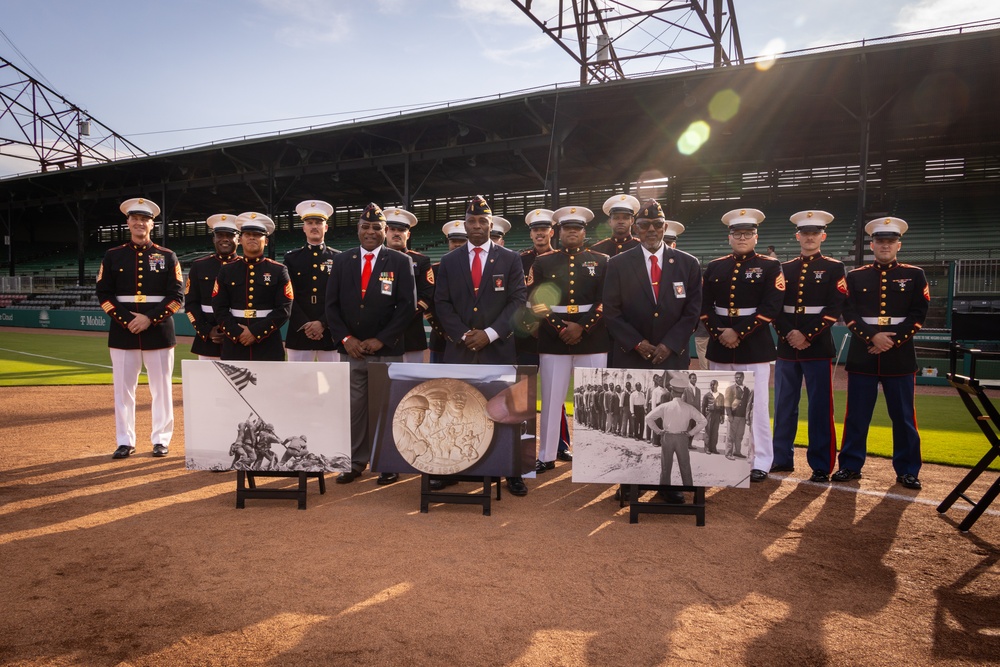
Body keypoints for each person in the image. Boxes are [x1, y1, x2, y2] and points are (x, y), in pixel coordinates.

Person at [433, 195, 529, 496]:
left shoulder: (510, 259)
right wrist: (463, 334)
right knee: (457, 411)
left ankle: (511, 469)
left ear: (491, 225)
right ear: (465, 224)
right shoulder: (449, 261)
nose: (477, 226)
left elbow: (518, 301)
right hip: (460, 348)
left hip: (497, 347)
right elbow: (441, 303)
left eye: (482, 221)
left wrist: (489, 333)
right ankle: (454, 467)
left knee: (507, 409)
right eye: (471, 221)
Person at [833, 217, 928, 490]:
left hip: (899, 357)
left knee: (903, 416)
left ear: (899, 244)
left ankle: (908, 469)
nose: (885, 245)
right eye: (880, 241)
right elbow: (848, 312)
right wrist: (871, 337)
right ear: (872, 245)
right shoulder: (856, 276)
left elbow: (918, 315)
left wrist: (891, 341)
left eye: (890, 241)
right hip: (863, 353)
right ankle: (850, 465)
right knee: (856, 416)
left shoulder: (915, 274)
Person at [325, 203, 416, 486]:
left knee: (387, 407)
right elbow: (331, 305)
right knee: (354, 409)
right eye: (365, 227)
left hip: (385, 350)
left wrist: (382, 339)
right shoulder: (342, 261)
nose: (370, 232)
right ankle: (354, 463)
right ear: (358, 230)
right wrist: (346, 339)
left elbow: (407, 307)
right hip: (351, 350)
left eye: (376, 227)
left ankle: (388, 462)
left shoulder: (400, 262)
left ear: (385, 231)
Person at [701, 208, 784, 482]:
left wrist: (738, 332)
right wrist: (719, 332)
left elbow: (771, 307)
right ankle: (724, 455)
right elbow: (704, 306)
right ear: (729, 237)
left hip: (754, 345)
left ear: (756, 237)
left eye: (747, 233)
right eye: (737, 233)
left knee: (756, 406)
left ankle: (760, 460)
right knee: (722, 406)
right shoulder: (715, 266)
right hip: (720, 344)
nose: (742, 237)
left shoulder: (771, 267)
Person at [97, 197, 183, 459]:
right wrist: (128, 320)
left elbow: (177, 296)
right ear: (128, 223)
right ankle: (125, 440)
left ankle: (161, 439)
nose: (139, 223)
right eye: (135, 219)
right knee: (123, 391)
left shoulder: (167, 256)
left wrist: (148, 319)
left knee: (162, 389)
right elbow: (103, 294)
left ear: (151, 224)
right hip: (123, 331)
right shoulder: (113, 255)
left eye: (144, 219)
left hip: (158, 330)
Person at [527, 205, 609, 474]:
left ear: (584, 231)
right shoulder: (543, 262)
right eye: (567, 228)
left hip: (593, 336)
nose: (572, 232)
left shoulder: (602, 260)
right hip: (554, 337)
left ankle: (595, 456)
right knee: (551, 399)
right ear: (559, 232)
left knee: (595, 400)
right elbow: (537, 301)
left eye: (577, 228)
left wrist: (582, 327)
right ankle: (547, 454)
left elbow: (604, 301)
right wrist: (561, 326)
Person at [771, 210, 847, 482]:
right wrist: (788, 333)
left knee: (820, 407)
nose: (810, 237)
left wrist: (806, 334)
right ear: (798, 236)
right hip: (786, 345)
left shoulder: (834, 267)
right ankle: (780, 458)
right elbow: (775, 307)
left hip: (816, 346)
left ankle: (820, 464)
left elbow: (835, 307)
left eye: (815, 233)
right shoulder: (784, 268)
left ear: (822, 236)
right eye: (805, 233)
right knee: (783, 405)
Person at [603, 198, 702, 372]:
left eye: (657, 224)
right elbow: (611, 311)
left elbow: (692, 311)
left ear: (665, 228)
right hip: (631, 355)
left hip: (673, 355)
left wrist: (670, 344)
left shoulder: (688, 263)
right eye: (644, 225)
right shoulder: (617, 264)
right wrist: (637, 343)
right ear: (635, 229)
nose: (651, 230)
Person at [212, 213, 292, 361]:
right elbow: (219, 307)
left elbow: (284, 309)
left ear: (266, 241)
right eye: (247, 234)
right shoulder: (227, 270)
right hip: (234, 343)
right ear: (240, 239)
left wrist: (255, 332)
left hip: (268, 343)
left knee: (270, 383)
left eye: (257, 234)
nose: (252, 238)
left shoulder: (278, 270)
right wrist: (237, 332)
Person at [283, 200, 340, 362]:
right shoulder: (291, 258)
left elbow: (342, 295)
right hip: (299, 330)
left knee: (332, 382)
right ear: (304, 228)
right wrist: (305, 324)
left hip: (330, 331)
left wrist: (323, 323)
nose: (314, 226)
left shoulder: (339, 258)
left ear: (326, 227)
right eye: (310, 223)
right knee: (297, 382)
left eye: (318, 223)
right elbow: (288, 295)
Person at [384, 206, 435, 363]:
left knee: (413, 384)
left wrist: (401, 315)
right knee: (382, 382)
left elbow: (427, 294)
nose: (397, 233)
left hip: (411, 335)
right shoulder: (376, 260)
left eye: (401, 230)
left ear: (408, 234)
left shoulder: (421, 261)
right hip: (381, 333)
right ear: (385, 231)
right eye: (392, 229)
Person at [185, 214, 239, 360]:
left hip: (239, 339)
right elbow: (191, 304)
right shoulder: (199, 266)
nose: (225, 239)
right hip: (208, 339)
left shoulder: (245, 266)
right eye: (220, 235)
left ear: (238, 239)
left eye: (230, 235)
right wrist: (207, 331)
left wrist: (233, 331)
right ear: (213, 239)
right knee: (207, 382)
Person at [645, 377, 708, 504]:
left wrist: (658, 431)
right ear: (683, 392)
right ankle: (690, 490)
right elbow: (703, 421)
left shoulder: (665, 406)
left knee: (665, 467)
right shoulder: (689, 407)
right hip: (682, 438)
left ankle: (663, 491)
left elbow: (648, 418)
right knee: (685, 466)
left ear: (672, 391)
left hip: (667, 437)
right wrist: (690, 433)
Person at [426, 221, 468, 364]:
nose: (457, 244)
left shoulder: (477, 269)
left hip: (469, 338)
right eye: (453, 241)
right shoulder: (436, 269)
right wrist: (444, 331)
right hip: (442, 338)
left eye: (462, 240)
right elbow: (430, 304)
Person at [724, 372, 750, 460]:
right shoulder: (730, 388)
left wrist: (747, 417)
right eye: (736, 377)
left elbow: (748, 404)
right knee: (731, 435)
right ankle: (728, 453)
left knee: (740, 435)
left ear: (743, 378)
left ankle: (737, 452)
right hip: (733, 416)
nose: (738, 379)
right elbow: (727, 403)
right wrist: (729, 415)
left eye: (739, 377)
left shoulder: (747, 390)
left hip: (742, 417)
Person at [702, 379, 725, 455]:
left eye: (714, 384)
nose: (712, 386)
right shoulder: (707, 395)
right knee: (708, 431)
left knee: (715, 432)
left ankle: (713, 448)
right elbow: (703, 406)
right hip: (709, 414)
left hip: (717, 415)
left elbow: (722, 407)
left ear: (717, 385)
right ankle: (707, 447)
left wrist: (722, 417)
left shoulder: (721, 396)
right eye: (711, 385)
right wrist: (703, 417)